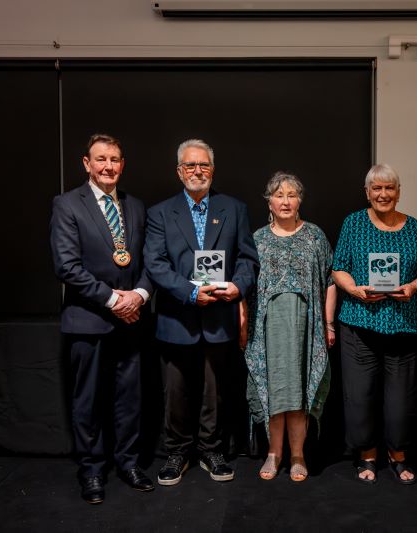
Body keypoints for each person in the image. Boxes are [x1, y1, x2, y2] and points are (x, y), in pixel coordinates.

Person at [145, 138, 259, 486]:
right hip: (177, 317)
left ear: (213, 169)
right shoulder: (160, 213)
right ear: (179, 171)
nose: (198, 171)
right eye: (190, 165)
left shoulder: (234, 209)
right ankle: (177, 452)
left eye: (204, 164)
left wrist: (238, 286)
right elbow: (155, 263)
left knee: (215, 391)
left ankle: (212, 450)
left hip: (219, 316)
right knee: (176, 393)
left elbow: (247, 258)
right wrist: (191, 292)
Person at [49, 133, 154, 504]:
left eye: (115, 159)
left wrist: (139, 295)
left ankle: (129, 463)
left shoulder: (135, 206)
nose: (109, 166)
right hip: (88, 320)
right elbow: (66, 266)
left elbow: (150, 261)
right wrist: (113, 300)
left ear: (122, 164)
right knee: (88, 401)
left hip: (132, 320)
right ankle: (92, 470)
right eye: (101, 159)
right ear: (87, 164)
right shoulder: (67, 204)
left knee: (130, 399)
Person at [332, 163, 417, 485]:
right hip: (359, 324)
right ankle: (366, 455)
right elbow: (339, 267)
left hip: (405, 326)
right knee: (360, 396)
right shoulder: (352, 223)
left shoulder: (415, 228)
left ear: (398, 192)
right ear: (367, 193)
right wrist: (354, 290)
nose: (383, 194)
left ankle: (398, 454)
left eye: (389, 188)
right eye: (376, 188)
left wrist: (414, 287)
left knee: (401, 401)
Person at [239, 172, 337, 482]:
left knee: (299, 391)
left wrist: (329, 324)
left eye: (291, 195)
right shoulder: (257, 239)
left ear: (299, 201)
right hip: (267, 328)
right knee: (273, 389)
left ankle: (297, 455)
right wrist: (243, 324)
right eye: (279, 195)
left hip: (306, 327)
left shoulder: (315, 236)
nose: (285, 201)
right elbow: (244, 286)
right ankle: (273, 452)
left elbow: (330, 280)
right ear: (269, 201)